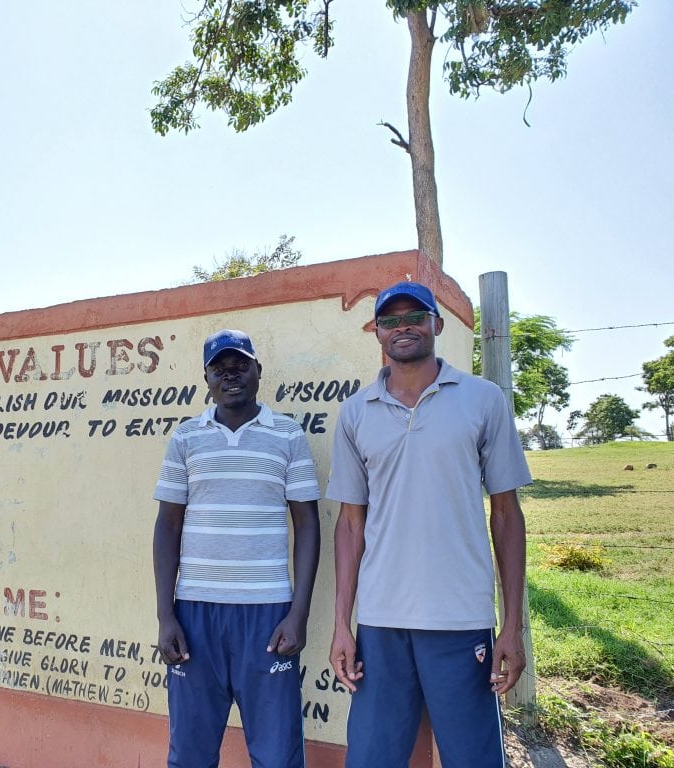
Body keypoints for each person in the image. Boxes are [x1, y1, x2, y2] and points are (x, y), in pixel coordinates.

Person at [326, 281, 532, 768]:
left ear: (436, 325)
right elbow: (350, 524)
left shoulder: (482, 400)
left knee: (472, 757)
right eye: (390, 320)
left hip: (459, 619)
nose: (403, 328)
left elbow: (506, 513)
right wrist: (341, 625)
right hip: (380, 622)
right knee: (373, 758)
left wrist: (512, 627)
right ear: (376, 332)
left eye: (415, 317)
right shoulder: (356, 412)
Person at [153, 329, 321, 768]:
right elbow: (167, 526)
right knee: (189, 752)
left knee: (277, 754)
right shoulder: (187, 438)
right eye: (219, 368)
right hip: (195, 616)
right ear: (206, 378)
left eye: (240, 365)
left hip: (266, 616)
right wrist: (166, 615)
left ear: (258, 371)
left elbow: (307, 525)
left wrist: (297, 615)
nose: (231, 375)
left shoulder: (287, 435)